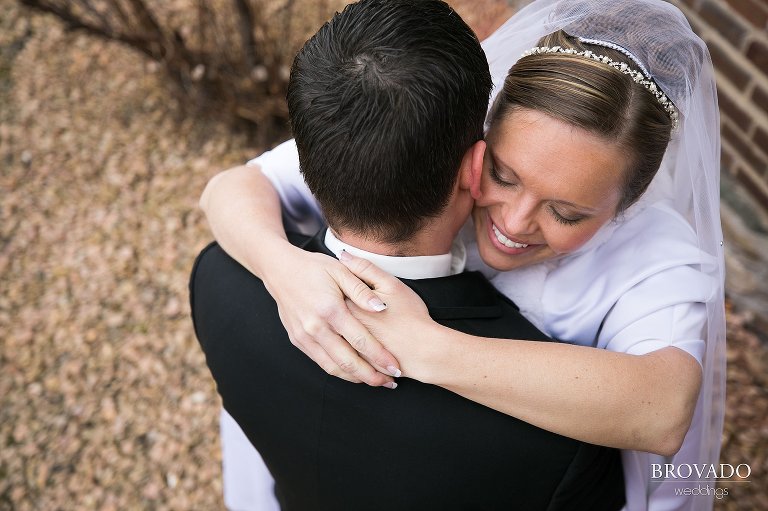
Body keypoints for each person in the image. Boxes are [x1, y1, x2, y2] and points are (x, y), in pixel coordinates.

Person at [200, 0, 726, 509]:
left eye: (566, 213)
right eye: (502, 175)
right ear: (478, 145)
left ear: (624, 207)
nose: (514, 223)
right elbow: (231, 187)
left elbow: (665, 410)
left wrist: (424, 347)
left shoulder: (658, 261)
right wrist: (281, 267)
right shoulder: (432, 152)